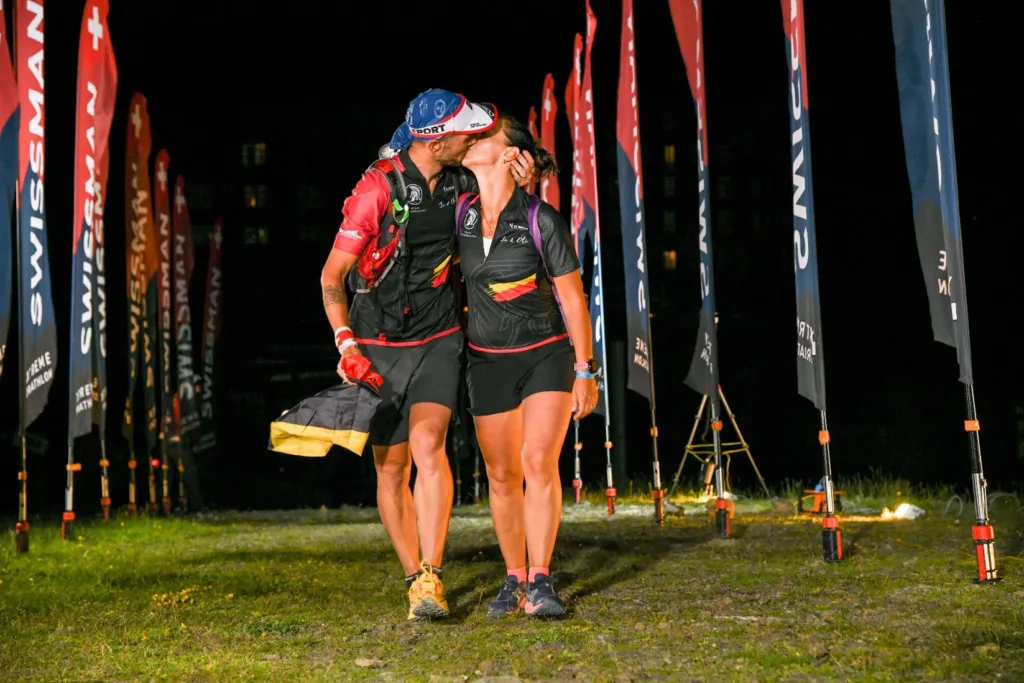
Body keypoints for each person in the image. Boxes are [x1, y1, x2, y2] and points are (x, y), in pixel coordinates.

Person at [320, 89, 535, 621]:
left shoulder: (462, 179)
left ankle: (431, 575)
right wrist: (346, 343)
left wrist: (527, 178)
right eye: (466, 132)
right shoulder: (376, 190)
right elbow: (331, 278)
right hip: (376, 345)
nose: (474, 139)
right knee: (390, 468)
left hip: (439, 337)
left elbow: (511, 205)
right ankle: (414, 576)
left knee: (428, 443)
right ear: (436, 140)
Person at [455, 112, 598, 617]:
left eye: (484, 136)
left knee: (538, 462)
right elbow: (413, 158)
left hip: (547, 355)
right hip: (487, 362)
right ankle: (513, 579)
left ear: (509, 150)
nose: (470, 140)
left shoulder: (541, 219)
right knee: (501, 474)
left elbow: (574, 300)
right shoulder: (461, 211)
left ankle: (541, 580)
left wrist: (585, 369)